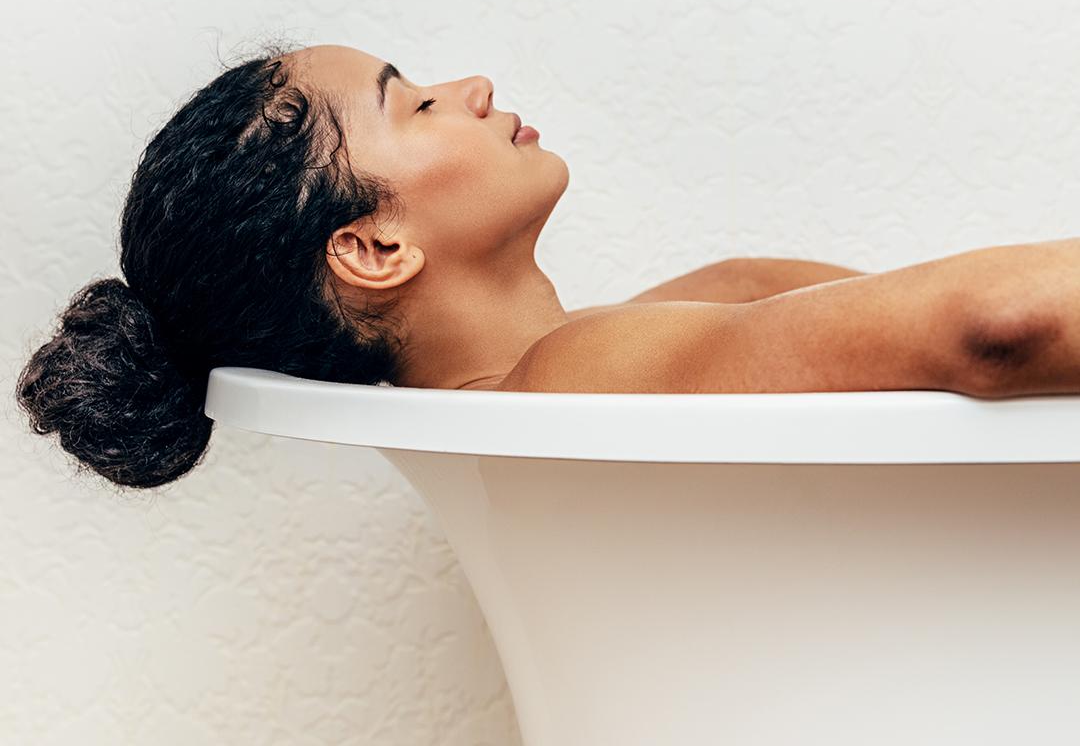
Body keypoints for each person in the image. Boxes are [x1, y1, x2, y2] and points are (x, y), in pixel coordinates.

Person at [15, 42, 1079, 490]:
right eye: (414, 104)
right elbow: (999, 324)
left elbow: (746, 288)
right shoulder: (569, 381)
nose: (471, 87)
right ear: (375, 247)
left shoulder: (562, 378)